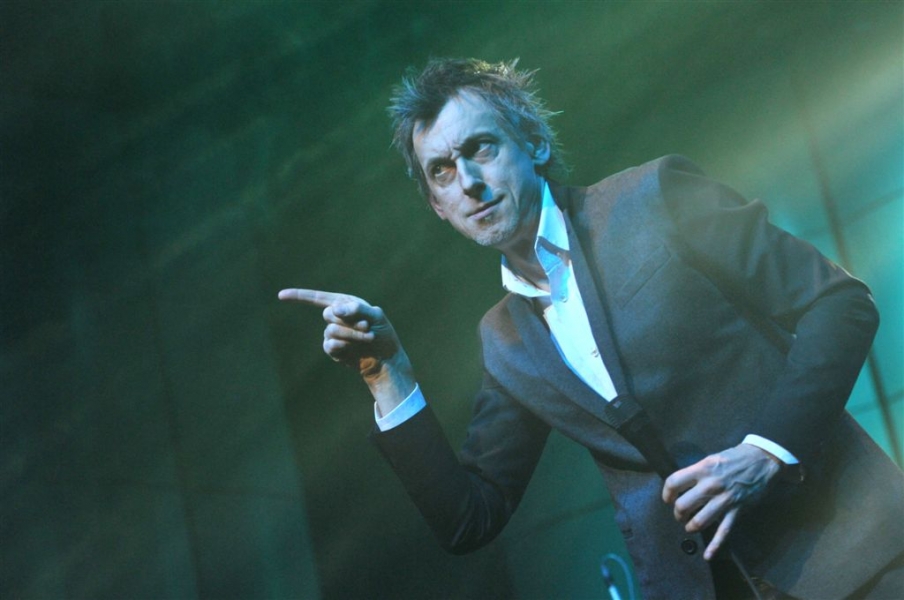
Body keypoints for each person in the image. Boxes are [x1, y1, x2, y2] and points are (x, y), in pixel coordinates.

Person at [279, 58, 904, 599]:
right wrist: (384, 372)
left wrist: (766, 453)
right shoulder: (505, 341)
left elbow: (840, 305)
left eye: (481, 149)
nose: (468, 182)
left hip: (851, 551)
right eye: (442, 172)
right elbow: (470, 518)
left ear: (533, 143)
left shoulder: (654, 197)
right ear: (438, 207)